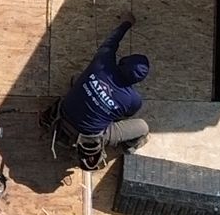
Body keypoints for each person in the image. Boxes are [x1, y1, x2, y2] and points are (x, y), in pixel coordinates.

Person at [50, 18, 152, 166]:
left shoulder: (102, 62)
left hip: (63, 115)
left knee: (78, 78)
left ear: (122, 61)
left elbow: (112, 41)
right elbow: (125, 115)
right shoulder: (133, 100)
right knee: (143, 127)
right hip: (87, 137)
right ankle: (127, 147)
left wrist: (126, 23)